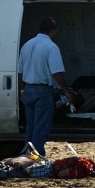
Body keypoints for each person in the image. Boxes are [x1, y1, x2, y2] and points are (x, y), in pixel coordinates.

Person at [18, 17, 72, 157]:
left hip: (28, 89)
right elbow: (56, 72)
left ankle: (27, 155)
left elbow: (20, 71)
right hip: (42, 91)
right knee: (41, 127)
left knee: (30, 126)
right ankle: (37, 157)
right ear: (53, 31)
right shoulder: (51, 47)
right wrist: (66, 91)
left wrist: (22, 89)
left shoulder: (27, 45)